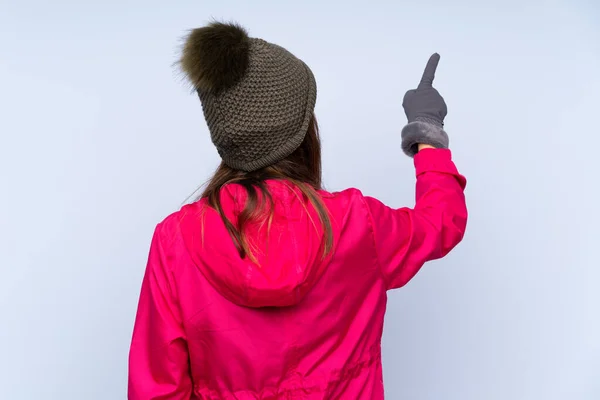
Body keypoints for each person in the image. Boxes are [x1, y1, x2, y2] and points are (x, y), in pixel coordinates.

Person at [128, 21, 467, 400]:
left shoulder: (176, 241)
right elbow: (441, 222)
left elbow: (156, 388)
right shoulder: (357, 223)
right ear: (303, 132)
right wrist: (427, 132)